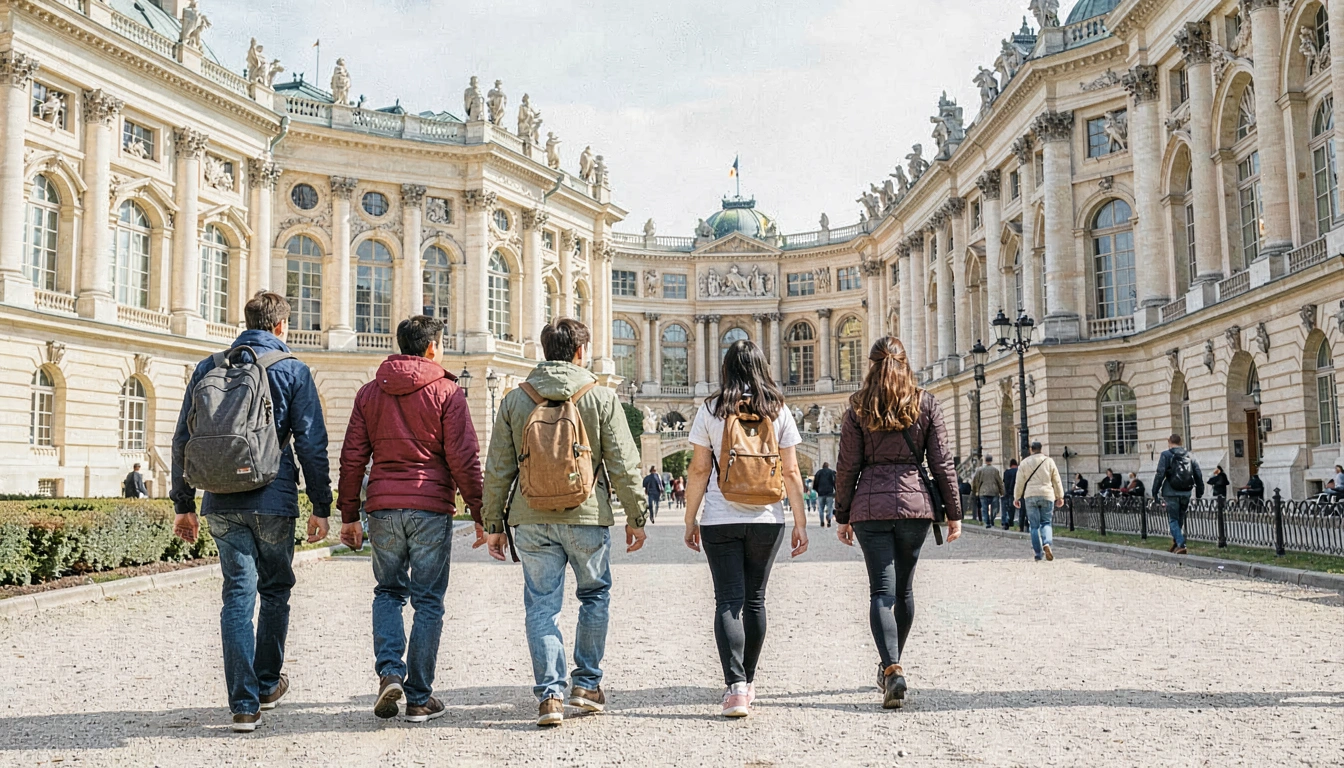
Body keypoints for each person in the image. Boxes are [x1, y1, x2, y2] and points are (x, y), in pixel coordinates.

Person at [170, 292, 331, 733]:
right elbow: (311, 444)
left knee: (237, 595)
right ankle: (265, 683)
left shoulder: (210, 367)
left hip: (220, 498)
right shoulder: (292, 369)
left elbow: (183, 439)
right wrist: (322, 505)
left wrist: (183, 504)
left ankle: (243, 705)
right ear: (281, 326)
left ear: (247, 322)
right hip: (273, 497)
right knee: (276, 589)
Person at [481, 318, 647, 728]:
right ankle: (586, 684)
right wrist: (637, 516)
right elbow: (624, 464)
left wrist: (493, 522)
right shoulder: (601, 396)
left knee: (542, 605)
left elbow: (499, 467)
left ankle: (550, 695)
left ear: (543, 350)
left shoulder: (516, 399)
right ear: (579, 352)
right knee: (594, 596)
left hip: (531, 516)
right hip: (587, 514)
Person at [336, 316, 485, 723]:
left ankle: (389, 672)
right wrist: (480, 513)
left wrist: (349, 514)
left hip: (383, 507)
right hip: (431, 507)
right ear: (434, 347)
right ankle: (419, 697)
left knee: (387, 591)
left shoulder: (369, 393)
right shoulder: (448, 392)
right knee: (428, 601)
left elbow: (352, 458)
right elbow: (464, 459)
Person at [834, 337, 962, 710]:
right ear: (906, 363)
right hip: (915, 505)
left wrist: (842, 515)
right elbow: (942, 464)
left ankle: (891, 668)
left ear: (871, 365)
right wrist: (953, 513)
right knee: (904, 593)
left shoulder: (858, 407)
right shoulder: (925, 402)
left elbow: (847, 467)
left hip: (870, 508)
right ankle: (892, 666)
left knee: (881, 593)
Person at [682, 339, 808, 718]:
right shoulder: (778, 408)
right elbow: (790, 471)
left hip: (721, 518)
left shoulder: (712, 408)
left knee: (728, 600)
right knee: (755, 600)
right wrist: (800, 521)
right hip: (767, 518)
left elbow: (700, 469)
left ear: (727, 369)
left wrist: (690, 518)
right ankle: (748, 682)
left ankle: (735, 687)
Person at [1152, 433, 1204, 555]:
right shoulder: (1190, 455)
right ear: (1181, 442)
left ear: (1169, 442)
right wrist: (1200, 491)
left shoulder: (1166, 454)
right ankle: (1176, 543)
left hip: (1171, 491)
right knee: (1180, 518)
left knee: (1173, 519)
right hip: (1186, 491)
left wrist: (1155, 491)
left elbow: (1160, 474)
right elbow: (1198, 473)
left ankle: (1181, 544)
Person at [1013, 441, 1064, 562]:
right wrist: (1060, 496)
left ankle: (1038, 553)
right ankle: (1047, 543)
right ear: (1041, 449)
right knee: (1046, 522)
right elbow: (1056, 480)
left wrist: (1017, 497)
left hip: (1030, 495)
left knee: (1034, 526)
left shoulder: (1025, 463)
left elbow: (1019, 482)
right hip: (1047, 494)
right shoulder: (1049, 461)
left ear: (1031, 449)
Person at [970, 454, 1004, 529]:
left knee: (984, 508)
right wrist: (1002, 492)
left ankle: (987, 522)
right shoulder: (995, 470)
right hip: (994, 491)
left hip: (983, 491)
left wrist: (975, 491)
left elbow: (975, 481)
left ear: (985, 460)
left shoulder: (979, 470)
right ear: (991, 460)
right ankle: (992, 519)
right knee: (994, 508)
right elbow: (999, 482)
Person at [813, 462, 837, 527]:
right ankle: (829, 519)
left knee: (821, 508)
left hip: (821, 493)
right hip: (829, 493)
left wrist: (817, 490)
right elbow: (835, 482)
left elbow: (815, 483)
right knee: (830, 508)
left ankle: (822, 521)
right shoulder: (831, 472)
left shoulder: (818, 473)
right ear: (828, 466)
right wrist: (836, 491)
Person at [1000, 458, 1019, 530]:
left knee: (1006, 507)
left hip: (1007, 492)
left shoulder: (1006, 472)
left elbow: (1004, 482)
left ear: (1010, 465)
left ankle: (1005, 521)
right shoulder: (1018, 471)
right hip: (1016, 492)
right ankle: (1011, 521)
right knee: (1013, 508)